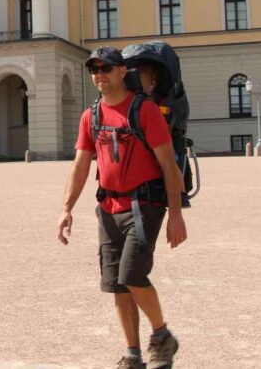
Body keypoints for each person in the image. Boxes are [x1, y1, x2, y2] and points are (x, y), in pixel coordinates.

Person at [57, 46, 187, 369]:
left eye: (105, 68)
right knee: (117, 282)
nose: (99, 74)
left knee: (132, 273)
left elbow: (169, 166)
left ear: (120, 72)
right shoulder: (92, 116)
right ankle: (133, 355)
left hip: (144, 205)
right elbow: (80, 167)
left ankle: (162, 336)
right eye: (94, 69)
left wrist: (176, 215)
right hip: (108, 207)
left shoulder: (144, 111)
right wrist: (66, 209)